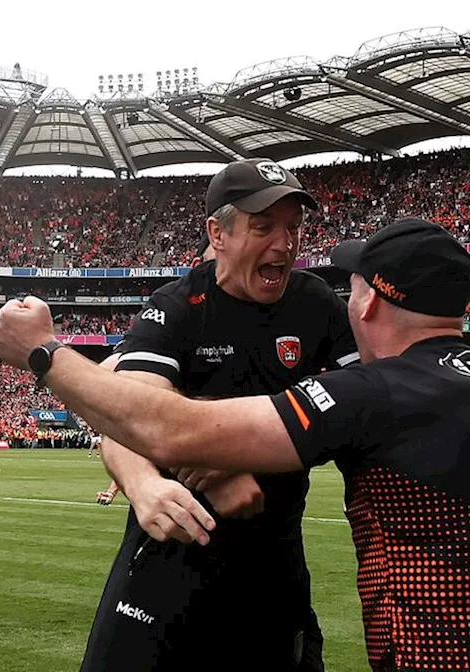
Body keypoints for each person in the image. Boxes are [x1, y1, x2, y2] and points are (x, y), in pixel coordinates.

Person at [0, 218, 470, 672]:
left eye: (350, 287)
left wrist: (43, 354)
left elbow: (168, 427)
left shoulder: (370, 396)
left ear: (370, 302)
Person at [65, 158, 357, 672]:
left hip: (273, 561)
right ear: (217, 234)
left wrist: (215, 441)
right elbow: (127, 413)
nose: (285, 245)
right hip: (168, 555)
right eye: (264, 227)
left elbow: (364, 408)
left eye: (294, 228)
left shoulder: (319, 306)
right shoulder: (177, 307)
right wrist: (142, 485)